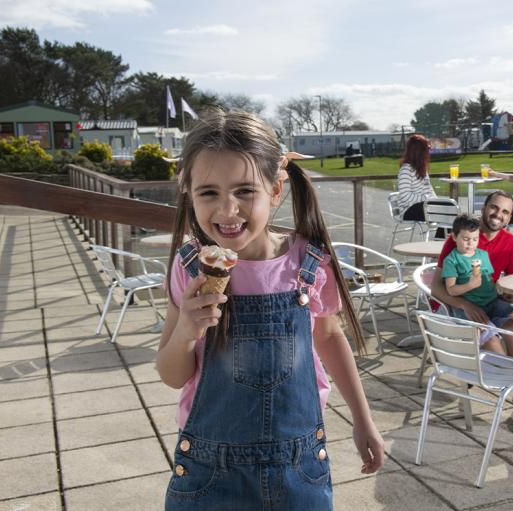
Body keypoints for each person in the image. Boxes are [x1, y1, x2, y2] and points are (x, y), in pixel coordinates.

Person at [157, 109, 383, 510]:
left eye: (245, 191)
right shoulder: (189, 267)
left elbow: (329, 337)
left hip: (299, 469)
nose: (227, 210)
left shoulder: (307, 264)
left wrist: (363, 419)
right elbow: (173, 376)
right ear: (188, 194)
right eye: (209, 193)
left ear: (276, 189)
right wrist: (187, 330)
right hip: (210, 472)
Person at [431, 191, 513, 359]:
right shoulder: (461, 239)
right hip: (461, 306)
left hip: (490, 302)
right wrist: (465, 305)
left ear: (509, 217)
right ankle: (500, 376)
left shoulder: (509, 242)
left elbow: (511, 282)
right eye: (494, 207)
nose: (498, 215)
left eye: (505, 212)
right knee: (492, 341)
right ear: (484, 208)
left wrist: (508, 293)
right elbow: (436, 288)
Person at [441, 214, 513, 354]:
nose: (471, 244)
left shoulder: (482, 255)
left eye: (475, 239)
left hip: (492, 302)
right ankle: (502, 368)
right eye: (465, 239)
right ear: (454, 237)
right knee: (491, 338)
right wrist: (470, 285)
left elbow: (490, 280)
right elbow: (451, 290)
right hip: (471, 308)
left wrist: (503, 293)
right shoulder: (451, 261)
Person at [396, 134, 436, 221]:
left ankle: (441, 235)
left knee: (449, 209)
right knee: (446, 212)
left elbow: (429, 189)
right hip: (409, 210)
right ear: (419, 152)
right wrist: (426, 198)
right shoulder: (406, 170)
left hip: (423, 206)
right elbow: (405, 196)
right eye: (427, 149)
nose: (428, 153)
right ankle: (442, 235)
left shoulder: (422, 169)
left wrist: (436, 201)